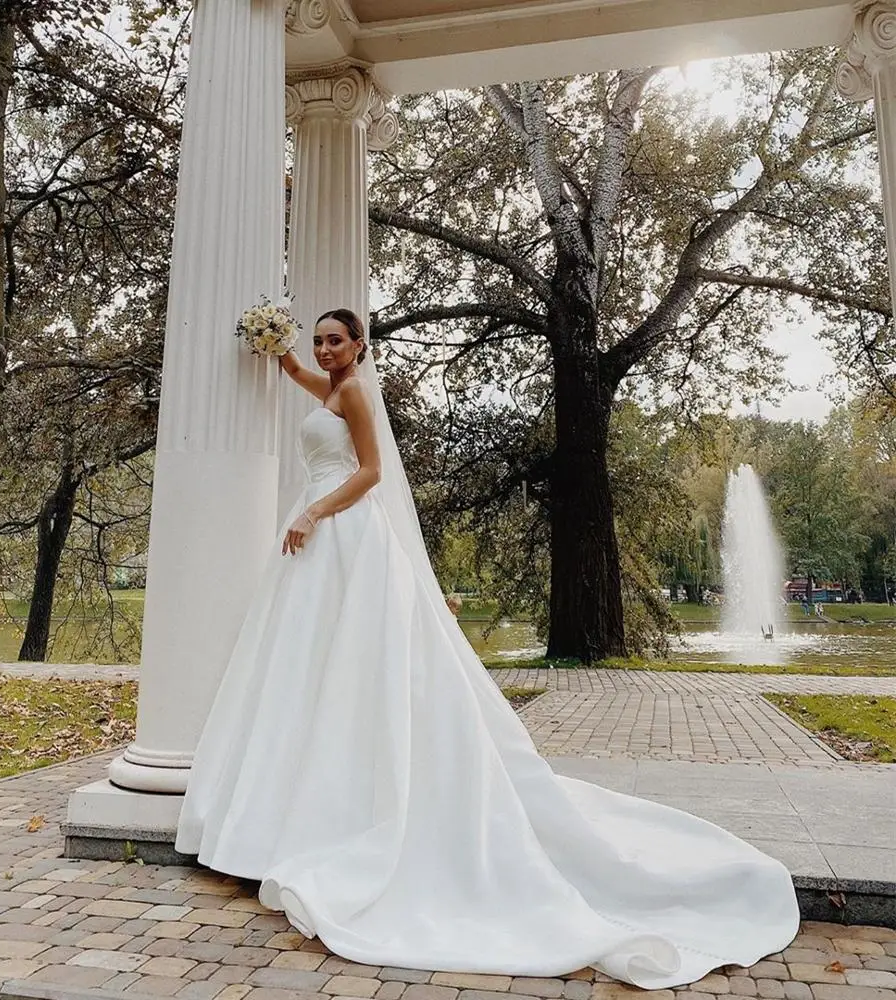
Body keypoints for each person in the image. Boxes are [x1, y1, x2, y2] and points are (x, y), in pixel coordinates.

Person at [175, 308, 799, 990]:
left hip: (341, 528)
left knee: (349, 661)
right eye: (319, 339)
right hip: (320, 537)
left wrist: (313, 512)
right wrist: (271, 344)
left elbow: (373, 473)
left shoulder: (354, 391)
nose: (324, 350)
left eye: (336, 340)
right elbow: (295, 372)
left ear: (360, 345)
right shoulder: (326, 383)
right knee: (303, 663)